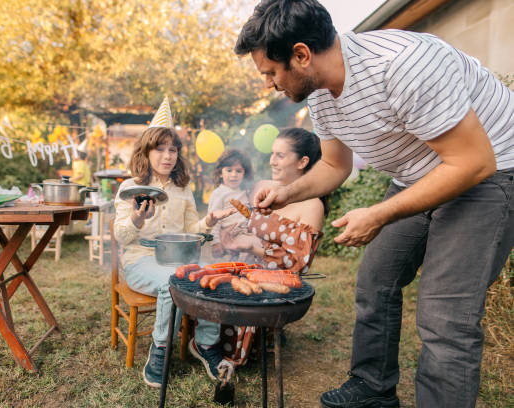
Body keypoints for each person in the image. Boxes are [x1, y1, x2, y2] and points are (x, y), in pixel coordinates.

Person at [235, 1, 514, 407]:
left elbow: (473, 162)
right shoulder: (321, 92)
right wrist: (288, 193)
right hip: (418, 173)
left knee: (444, 316)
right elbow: (334, 164)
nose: (268, 84)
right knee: (376, 279)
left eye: (271, 73)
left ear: (301, 55)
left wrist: (379, 214)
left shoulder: (403, 66)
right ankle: (373, 388)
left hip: (489, 171)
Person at [113, 97, 235, 388]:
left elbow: (191, 228)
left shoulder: (183, 188)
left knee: (214, 276)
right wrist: (137, 220)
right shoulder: (131, 187)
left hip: (179, 257)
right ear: (146, 150)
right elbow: (120, 236)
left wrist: (210, 220)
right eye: (160, 149)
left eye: (173, 150)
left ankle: (205, 344)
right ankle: (161, 349)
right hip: (140, 261)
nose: (168, 156)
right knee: (174, 282)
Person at [218, 128, 325, 366]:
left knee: (240, 303)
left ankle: (238, 349)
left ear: (302, 162)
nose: (271, 161)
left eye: (280, 155)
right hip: (243, 265)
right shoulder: (264, 186)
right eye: (272, 154)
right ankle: (205, 342)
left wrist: (254, 247)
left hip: (275, 279)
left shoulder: (312, 204)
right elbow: (249, 223)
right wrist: (234, 236)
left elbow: (300, 264)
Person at [207, 149, 254, 261]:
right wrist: (215, 243)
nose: (234, 175)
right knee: (239, 259)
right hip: (230, 233)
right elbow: (213, 220)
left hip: (246, 232)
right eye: (229, 170)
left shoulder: (245, 192)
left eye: (238, 171)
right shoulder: (219, 193)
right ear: (220, 173)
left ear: (244, 174)